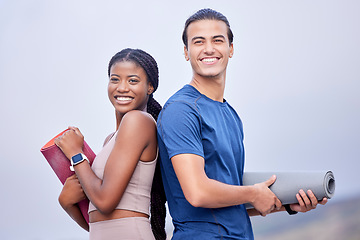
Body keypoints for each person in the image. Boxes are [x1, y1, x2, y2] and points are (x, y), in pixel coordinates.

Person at [157, 8, 327, 239]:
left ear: (231, 49)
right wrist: (253, 193)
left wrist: (286, 205)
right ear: (186, 52)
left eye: (217, 40)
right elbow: (197, 193)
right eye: (199, 42)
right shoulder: (181, 110)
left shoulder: (231, 115)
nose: (209, 49)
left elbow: (232, 202)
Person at [54, 48, 166, 240]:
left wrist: (76, 154)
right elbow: (97, 221)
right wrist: (67, 203)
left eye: (133, 80)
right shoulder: (110, 139)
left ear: (150, 87)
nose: (122, 87)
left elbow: (105, 202)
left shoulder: (138, 121)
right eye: (115, 79)